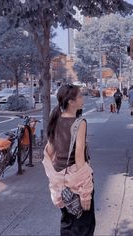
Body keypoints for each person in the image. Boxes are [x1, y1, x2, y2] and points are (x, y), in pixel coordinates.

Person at [42, 84, 95, 235]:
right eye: (80, 96)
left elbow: (49, 152)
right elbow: (79, 159)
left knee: (67, 222)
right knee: (84, 225)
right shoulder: (79, 123)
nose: (82, 99)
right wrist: (86, 191)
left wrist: (55, 177)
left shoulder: (56, 119)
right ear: (71, 102)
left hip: (59, 181)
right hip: (77, 181)